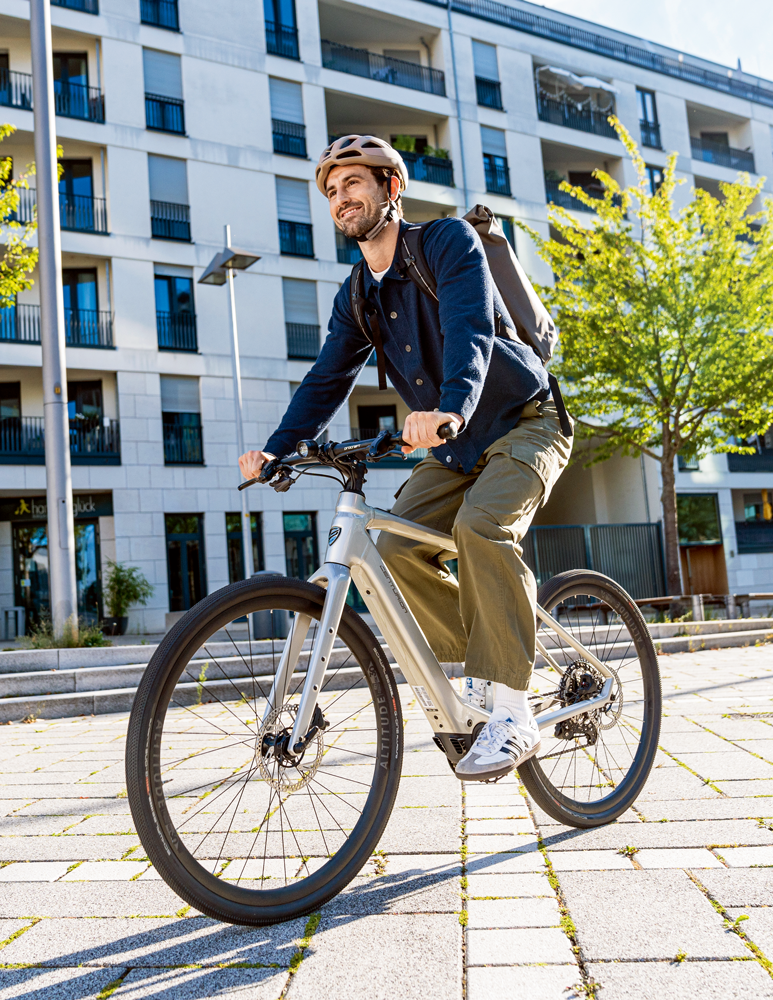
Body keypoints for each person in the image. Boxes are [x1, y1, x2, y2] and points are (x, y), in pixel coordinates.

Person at [237, 135, 572, 781]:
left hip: (524, 422)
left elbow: (472, 329)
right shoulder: (358, 293)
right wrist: (277, 452)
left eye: (354, 183)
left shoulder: (444, 242)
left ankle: (512, 706)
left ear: (391, 188)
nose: (342, 198)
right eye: (332, 191)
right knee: (390, 555)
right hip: (456, 446)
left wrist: (449, 408)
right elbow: (326, 380)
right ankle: (489, 660)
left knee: (482, 528)